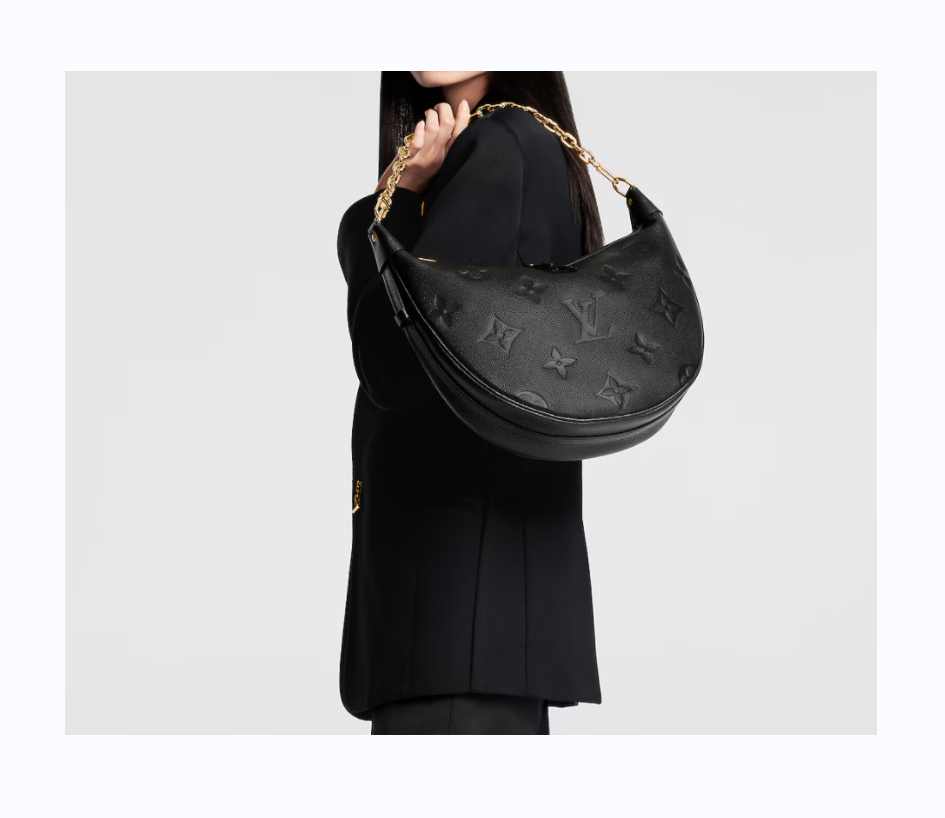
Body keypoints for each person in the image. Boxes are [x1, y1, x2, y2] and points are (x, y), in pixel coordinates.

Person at [336, 71, 605, 735]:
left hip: (456, 606)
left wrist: (392, 205)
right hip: (475, 611)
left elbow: (395, 367)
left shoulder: (499, 145)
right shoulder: (513, 145)